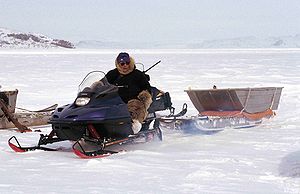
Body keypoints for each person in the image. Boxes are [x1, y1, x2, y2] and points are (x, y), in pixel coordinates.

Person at [106, 52, 153, 134]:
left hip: (134, 101)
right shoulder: (112, 74)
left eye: (127, 63)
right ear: (118, 64)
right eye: (122, 63)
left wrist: (144, 95)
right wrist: (93, 88)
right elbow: (103, 83)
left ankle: (133, 127)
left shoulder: (137, 74)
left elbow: (147, 87)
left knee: (134, 109)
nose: (125, 65)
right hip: (115, 100)